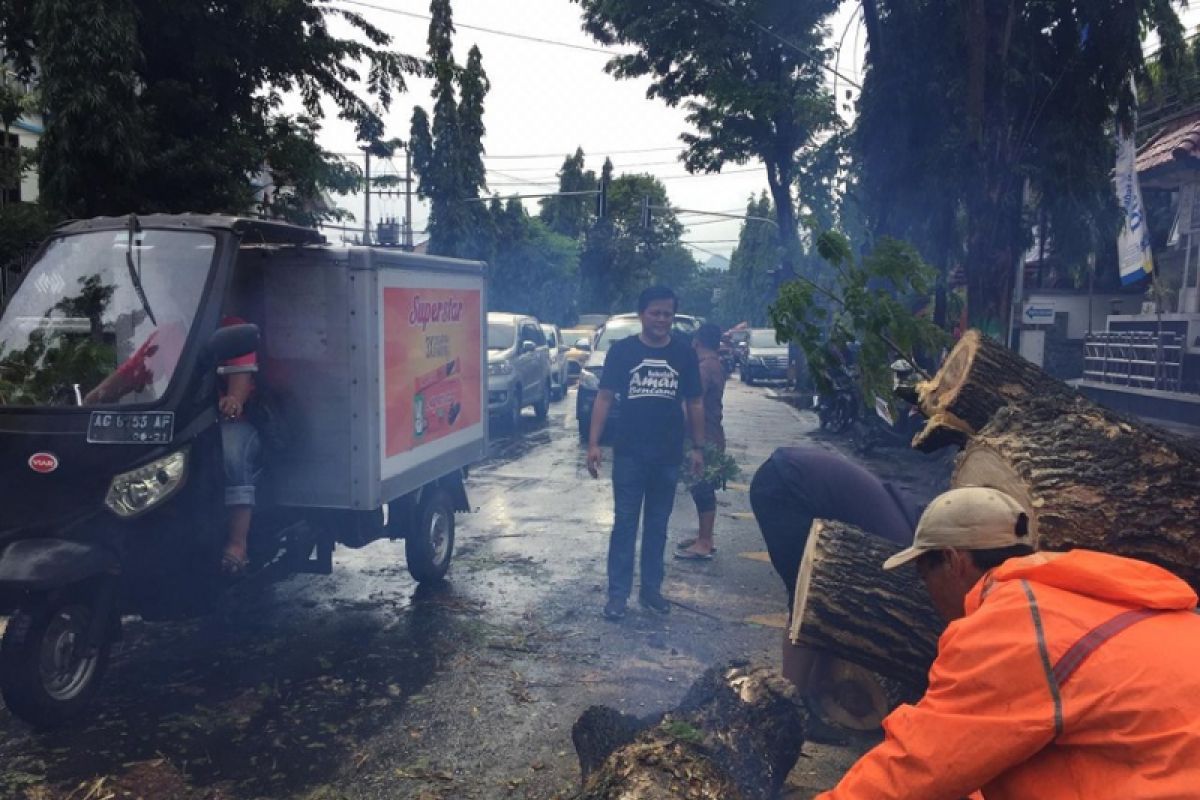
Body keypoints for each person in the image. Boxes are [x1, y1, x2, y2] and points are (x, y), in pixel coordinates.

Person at [818, 486, 1200, 800]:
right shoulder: (1088, 592)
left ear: (953, 561)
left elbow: (919, 764)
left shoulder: (1013, 623)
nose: (927, 591)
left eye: (923, 572)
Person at [749, 447, 923, 695]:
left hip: (793, 477)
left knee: (828, 604)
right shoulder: (901, 546)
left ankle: (815, 694)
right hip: (784, 485)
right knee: (806, 604)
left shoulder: (910, 524)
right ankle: (791, 700)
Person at [587, 286, 704, 621]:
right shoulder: (622, 352)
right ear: (642, 314)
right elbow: (605, 397)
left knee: (657, 525)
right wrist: (594, 443)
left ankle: (651, 591)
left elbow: (695, 402)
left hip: (668, 455)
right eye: (655, 313)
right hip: (629, 454)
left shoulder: (684, 354)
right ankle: (617, 596)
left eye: (668, 314)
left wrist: (697, 447)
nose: (662, 319)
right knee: (624, 524)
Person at [675, 321, 725, 560]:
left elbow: (693, 402)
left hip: (704, 436)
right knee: (701, 486)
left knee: (702, 486)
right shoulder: (715, 364)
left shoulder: (704, 368)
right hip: (711, 433)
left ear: (696, 342)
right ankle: (704, 537)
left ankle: (704, 542)